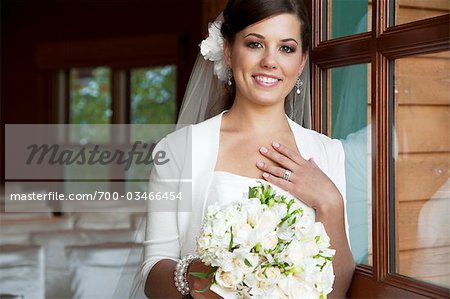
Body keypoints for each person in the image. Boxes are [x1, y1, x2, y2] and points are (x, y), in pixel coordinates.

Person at [142, 0, 355, 298]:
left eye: (286, 48)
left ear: (302, 61)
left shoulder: (327, 151)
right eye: (255, 44)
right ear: (229, 52)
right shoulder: (179, 150)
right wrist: (203, 277)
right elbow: (152, 275)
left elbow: (337, 287)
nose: (270, 61)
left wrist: (330, 203)